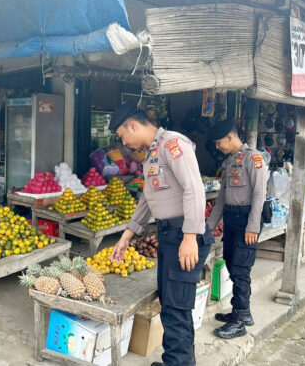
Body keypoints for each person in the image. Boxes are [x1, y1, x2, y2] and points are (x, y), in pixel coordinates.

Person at [109, 101, 214, 366]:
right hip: (170, 235)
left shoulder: (172, 145)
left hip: (183, 235)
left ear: (133, 125)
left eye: (124, 136)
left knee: (176, 309)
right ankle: (177, 362)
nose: (126, 144)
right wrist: (127, 234)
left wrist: (190, 236)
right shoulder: (153, 152)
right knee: (171, 306)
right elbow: (148, 198)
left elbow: (194, 189)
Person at [206, 119, 268, 339]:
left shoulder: (254, 158)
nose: (217, 147)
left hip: (246, 221)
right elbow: (222, 196)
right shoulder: (229, 162)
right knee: (232, 265)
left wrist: (252, 225)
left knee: (241, 270)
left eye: (218, 142)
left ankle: (239, 322)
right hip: (232, 219)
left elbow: (260, 193)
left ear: (230, 137)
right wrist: (210, 226)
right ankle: (242, 312)